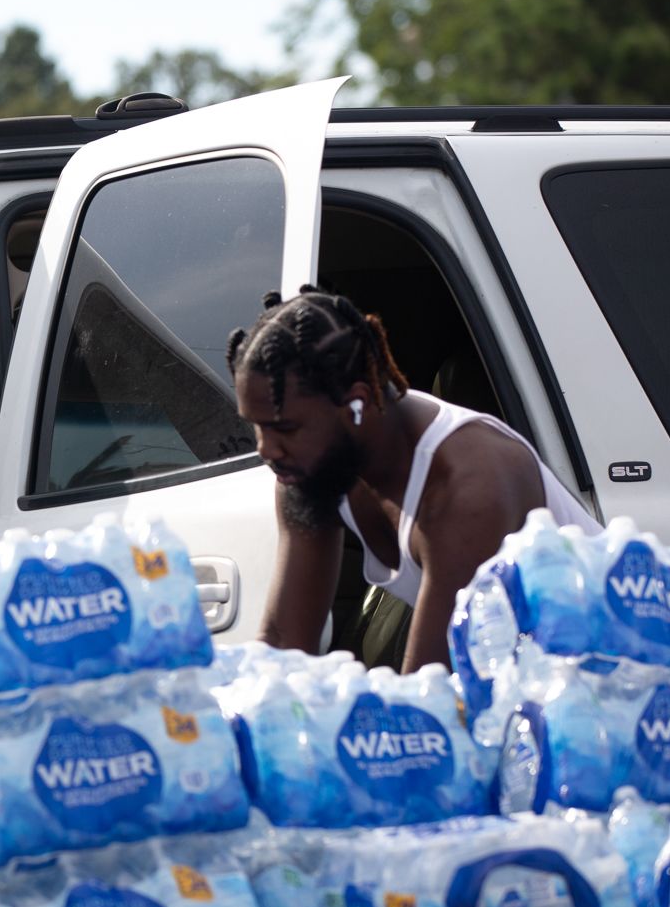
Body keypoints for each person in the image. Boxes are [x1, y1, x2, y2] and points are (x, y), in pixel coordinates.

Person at [225, 287, 600, 672]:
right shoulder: (309, 465)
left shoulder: (468, 484)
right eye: (256, 427)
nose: (266, 448)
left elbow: (430, 694)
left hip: (617, 696)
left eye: (285, 427)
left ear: (358, 402)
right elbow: (285, 646)